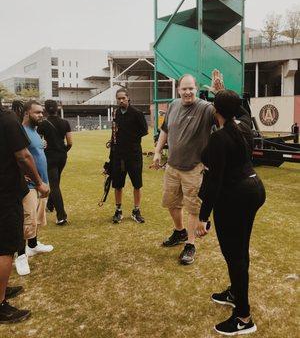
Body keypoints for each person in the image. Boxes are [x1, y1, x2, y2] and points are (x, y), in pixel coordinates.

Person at [195, 90, 266, 336]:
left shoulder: (220, 138)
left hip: (236, 196)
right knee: (240, 251)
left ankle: (244, 317)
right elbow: (244, 112)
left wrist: (203, 218)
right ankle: (236, 293)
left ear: (216, 111)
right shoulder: (245, 126)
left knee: (234, 254)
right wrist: (221, 88)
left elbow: (213, 183)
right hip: (254, 190)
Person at [152, 73, 221, 265]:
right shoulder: (173, 105)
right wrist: (157, 151)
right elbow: (165, 130)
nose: (188, 92)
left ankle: (190, 244)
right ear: (178, 90)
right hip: (172, 166)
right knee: (171, 203)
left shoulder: (205, 108)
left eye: (191, 88)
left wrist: (219, 93)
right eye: (184, 88)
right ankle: (180, 231)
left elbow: (222, 113)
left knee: (193, 208)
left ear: (196, 89)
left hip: (194, 168)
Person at [0, 103, 49, 323]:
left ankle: (2, 288)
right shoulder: (8, 118)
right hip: (6, 193)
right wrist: (39, 182)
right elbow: (23, 156)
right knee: (6, 247)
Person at [15, 100, 53, 276]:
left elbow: (35, 152)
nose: (41, 115)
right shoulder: (19, 131)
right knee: (27, 219)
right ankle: (21, 256)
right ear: (26, 113)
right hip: (29, 184)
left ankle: (33, 245)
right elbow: (17, 156)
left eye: (42, 112)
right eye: (37, 112)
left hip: (42, 182)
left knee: (37, 218)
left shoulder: (35, 131)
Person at [111, 88, 148, 224]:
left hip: (134, 154)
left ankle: (136, 210)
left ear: (128, 98)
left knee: (137, 184)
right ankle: (118, 210)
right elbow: (114, 133)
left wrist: (129, 138)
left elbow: (144, 131)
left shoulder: (137, 113)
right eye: (118, 98)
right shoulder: (117, 113)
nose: (121, 100)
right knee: (118, 184)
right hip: (119, 155)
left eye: (123, 98)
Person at [37, 100, 72, 225]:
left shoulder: (42, 124)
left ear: (45, 110)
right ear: (57, 109)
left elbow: (38, 141)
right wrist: (63, 151)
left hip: (49, 156)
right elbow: (70, 142)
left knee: (54, 185)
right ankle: (51, 205)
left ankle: (61, 215)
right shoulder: (65, 122)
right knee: (56, 182)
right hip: (62, 156)